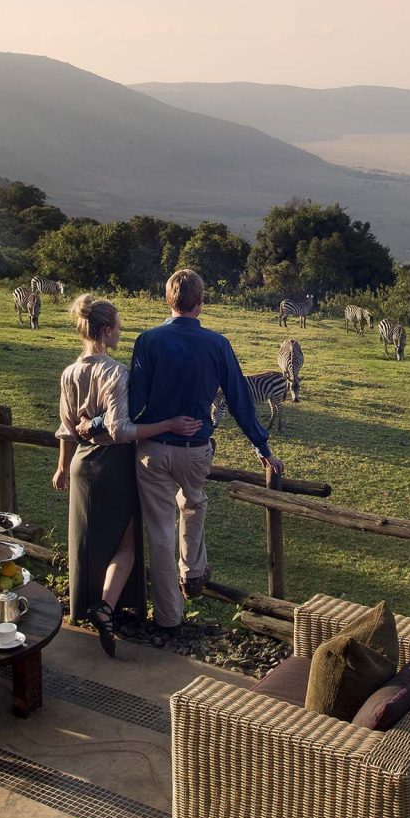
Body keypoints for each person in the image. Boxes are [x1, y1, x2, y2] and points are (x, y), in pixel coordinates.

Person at [128, 269, 284, 630]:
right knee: (194, 503)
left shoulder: (148, 341)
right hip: (196, 448)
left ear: (168, 300)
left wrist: (104, 423)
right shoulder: (217, 344)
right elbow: (239, 398)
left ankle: (168, 615)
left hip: (152, 447)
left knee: (160, 529)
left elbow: (134, 399)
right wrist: (261, 445)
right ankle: (193, 572)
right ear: (201, 301)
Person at [52, 295, 200, 656]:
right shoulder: (114, 372)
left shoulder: (69, 372)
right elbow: (120, 431)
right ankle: (105, 606)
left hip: (81, 464)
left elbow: (67, 428)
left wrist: (61, 467)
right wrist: (169, 424)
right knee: (128, 542)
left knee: (87, 538)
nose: (121, 331)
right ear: (105, 330)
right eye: (118, 325)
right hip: (113, 463)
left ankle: (93, 604)